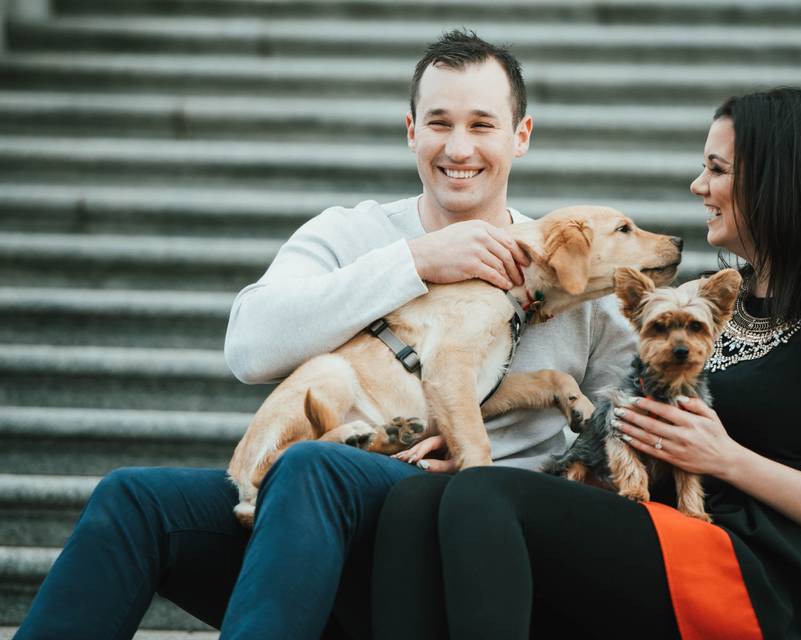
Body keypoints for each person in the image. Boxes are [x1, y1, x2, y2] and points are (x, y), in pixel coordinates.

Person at [13, 30, 641, 640]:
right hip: (315, 517)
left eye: (482, 125)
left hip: (461, 538)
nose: (458, 147)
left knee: (313, 466)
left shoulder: (573, 261)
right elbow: (250, 346)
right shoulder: (352, 234)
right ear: (411, 130)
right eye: (439, 123)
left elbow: (625, 426)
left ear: (520, 136)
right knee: (136, 499)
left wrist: (512, 483)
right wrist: (415, 263)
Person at [370, 88, 801, 640]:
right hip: (656, 525)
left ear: (779, 180)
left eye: (716, 169)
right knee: (417, 498)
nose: (698, 185)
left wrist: (727, 458)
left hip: (750, 566)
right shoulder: (713, 301)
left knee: (482, 492)